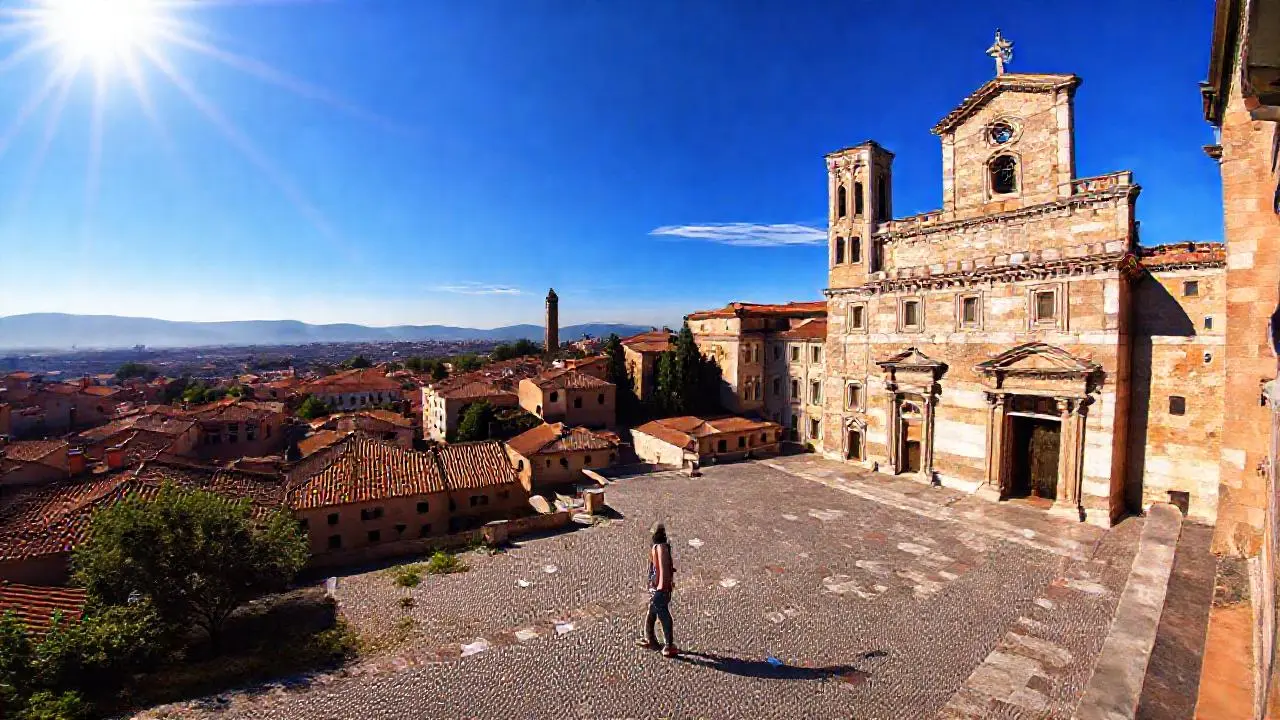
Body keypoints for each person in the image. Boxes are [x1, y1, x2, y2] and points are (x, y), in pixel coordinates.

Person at [637, 522, 678, 656]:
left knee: (663, 615)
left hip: (660, 590)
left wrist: (661, 588)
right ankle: (650, 639)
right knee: (652, 613)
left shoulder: (660, 548)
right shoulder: (661, 548)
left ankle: (669, 645)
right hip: (658, 590)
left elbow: (663, 570)